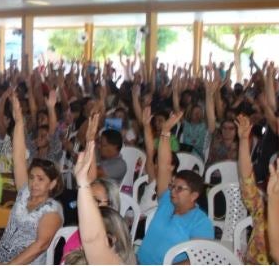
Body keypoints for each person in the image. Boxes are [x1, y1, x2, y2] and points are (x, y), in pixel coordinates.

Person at [0, 93, 64, 264]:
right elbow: (19, 157)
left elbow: (41, 245)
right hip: (0, 259)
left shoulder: (52, 210)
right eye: (32, 178)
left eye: (41, 179)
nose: (34, 183)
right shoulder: (24, 193)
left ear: (52, 183)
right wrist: (19, 121)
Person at [136, 111, 214, 265]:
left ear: (194, 196)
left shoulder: (201, 222)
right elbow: (164, 166)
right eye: (173, 186)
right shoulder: (166, 200)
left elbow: (197, 259)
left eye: (180, 189)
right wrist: (165, 132)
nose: (173, 191)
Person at [236, 115, 279, 264]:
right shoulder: (261, 211)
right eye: (276, 191)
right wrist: (243, 140)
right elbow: (247, 178)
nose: (278, 195)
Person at [64, 139, 136, 264]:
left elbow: (92, 240)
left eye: (95, 201)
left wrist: (82, 183)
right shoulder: (79, 231)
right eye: (87, 200)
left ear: (111, 206)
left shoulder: (111, 242)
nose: (87, 206)